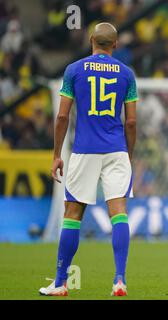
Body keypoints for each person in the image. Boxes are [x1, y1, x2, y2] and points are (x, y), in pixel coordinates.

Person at [39, 23, 138, 296]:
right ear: (115, 45)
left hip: (84, 150)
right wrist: (128, 155)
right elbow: (131, 121)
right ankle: (119, 280)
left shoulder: (74, 70)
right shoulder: (127, 74)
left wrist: (57, 154)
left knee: (72, 215)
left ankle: (60, 283)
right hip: (116, 149)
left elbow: (62, 116)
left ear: (91, 40)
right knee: (119, 212)